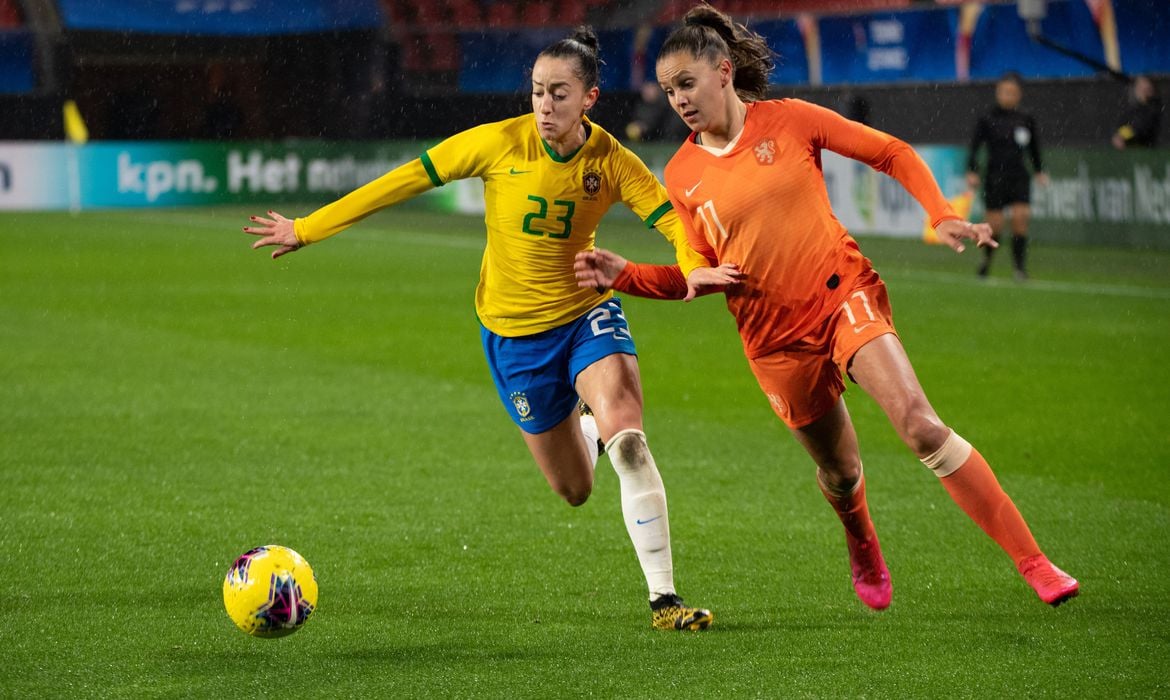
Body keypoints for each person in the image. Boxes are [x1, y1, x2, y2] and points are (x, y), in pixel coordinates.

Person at [574, 4, 1078, 611]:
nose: (678, 99)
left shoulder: (790, 120)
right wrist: (626, 275)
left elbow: (890, 152)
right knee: (841, 472)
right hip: (773, 339)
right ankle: (861, 536)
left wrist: (941, 212)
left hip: (841, 295)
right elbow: (696, 276)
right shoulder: (682, 174)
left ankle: (1034, 561)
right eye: (668, 90)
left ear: (724, 71)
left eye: (687, 83)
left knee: (920, 425)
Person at [243, 27, 714, 631]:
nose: (545, 105)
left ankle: (664, 601)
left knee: (629, 438)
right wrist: (308, 228)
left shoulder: (613, 162)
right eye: (538, 91)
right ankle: (585, 428)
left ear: (590, 98)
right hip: (514, 339)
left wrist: (694, 267)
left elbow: (673, 222)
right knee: (574, 489)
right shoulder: (498, 143)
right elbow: (404, 180)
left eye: (560, 94)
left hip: (585, 315)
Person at [966, 72, 1048, 281]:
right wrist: (972, 170)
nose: (1007, 96)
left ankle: (1019, 269)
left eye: (1012, 92)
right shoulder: (987, 118)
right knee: (995, 226)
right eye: (1004, 92)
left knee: (1020, 219)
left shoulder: (1026, 118)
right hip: (995, 177)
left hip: (1019, 176)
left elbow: (1034, 148)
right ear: (998, 93)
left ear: (1018, 94)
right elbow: (974, 147)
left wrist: (1039, 171)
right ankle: (986, 262)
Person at [1112, 75, 1162, 149]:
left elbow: (1141, 127)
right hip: (1130, 148)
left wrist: (1122, 136)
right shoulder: (1131, 107)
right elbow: (1122, 124)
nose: (1146, 89)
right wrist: (1119, 135)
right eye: (1141, 87)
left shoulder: (1154, 107)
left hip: (1145, 148)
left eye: (1148, 88)